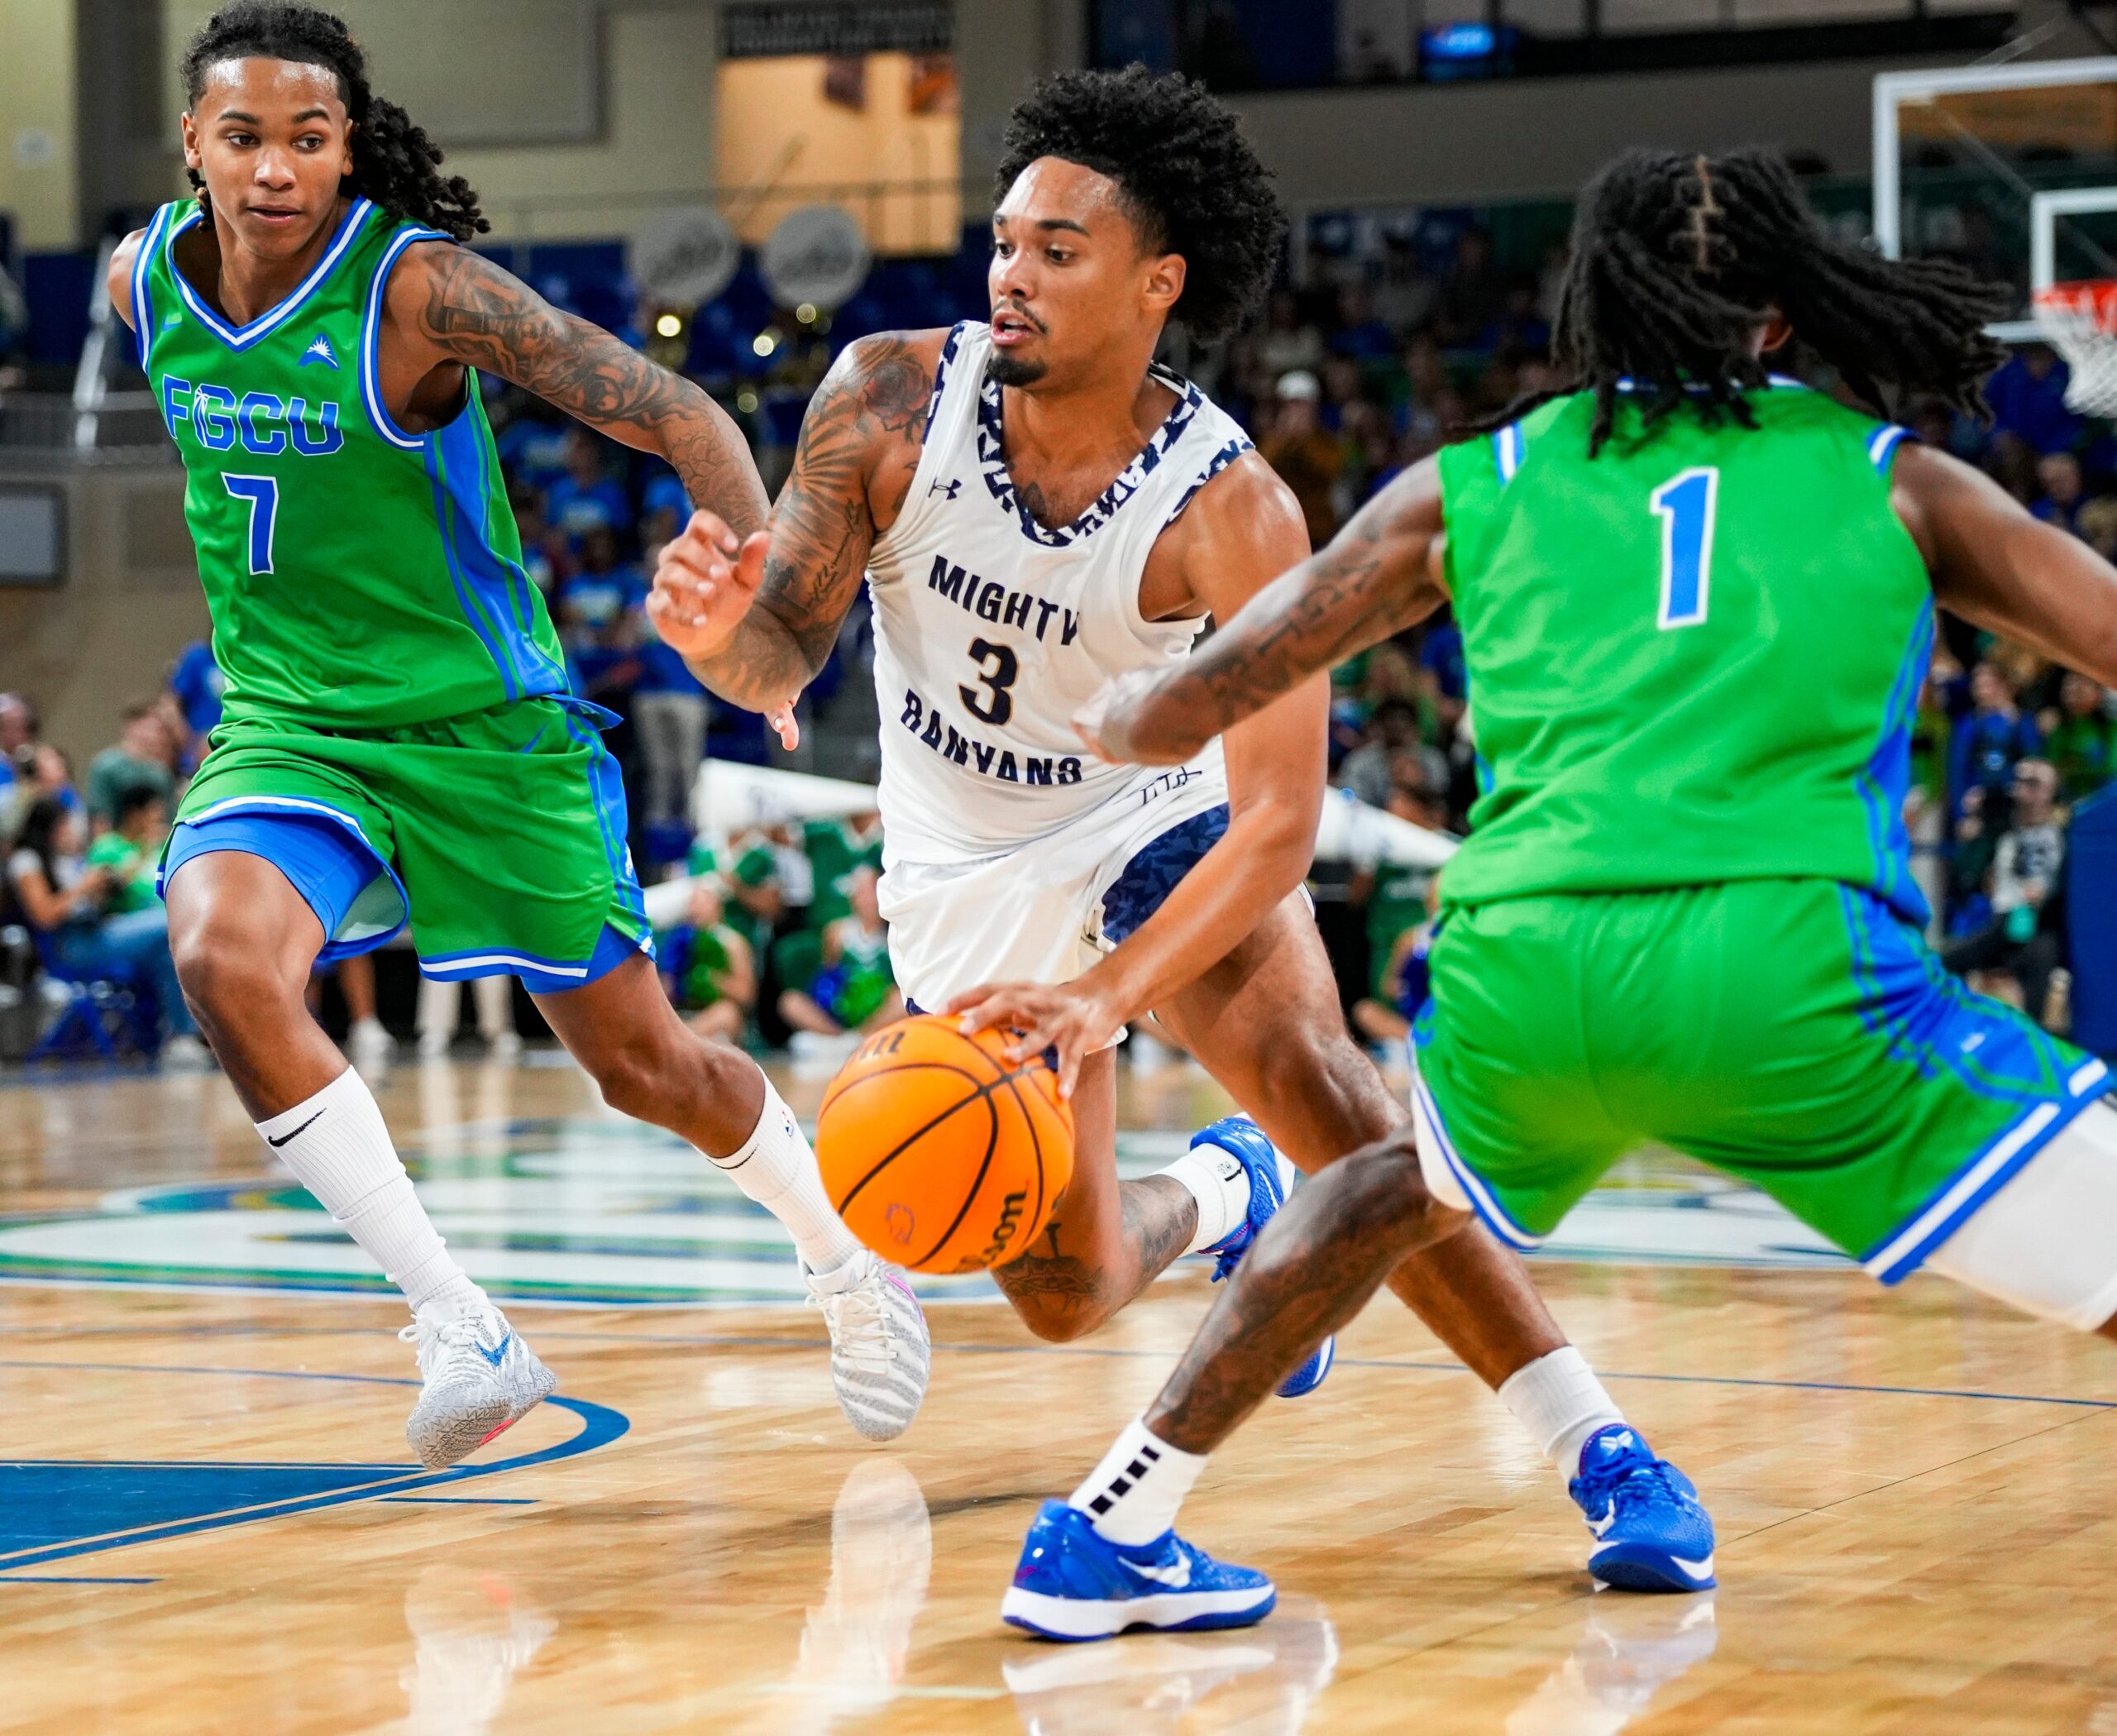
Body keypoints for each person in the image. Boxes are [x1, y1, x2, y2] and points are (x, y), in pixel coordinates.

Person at [652, 65, 1708, 1604]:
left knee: (1342, 1114)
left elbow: (1278, 827)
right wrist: (712, 645)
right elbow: (778, 661)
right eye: (1006, 241)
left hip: (1156, 822)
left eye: (1058, 249)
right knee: (1066, 1292)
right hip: (958, 870)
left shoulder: (1235, 509)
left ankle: (1604, 1450)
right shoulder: (885, 399)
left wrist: (1110, 995)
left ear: (1160, 282)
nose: (1011, 274)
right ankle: (1230, 1196)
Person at [1043, 144, 2117, 1639]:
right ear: (1782, 316)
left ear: (1589, 301)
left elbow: (1190, 702)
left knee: (1379, 1189)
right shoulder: (1897, 478)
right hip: (1788, 970)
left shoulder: (1466, 482)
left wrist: (1116, 718)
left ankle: (1110, 1522)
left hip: (1524, 974)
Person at [108, 1, 929, 1467]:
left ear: (347, 148)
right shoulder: (140, 286)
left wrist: (767, 609)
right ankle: (459, 1318)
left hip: (488, 729)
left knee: (647, 1068)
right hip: (294, 726)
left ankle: (841, 1257)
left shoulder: (419, 292)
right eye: (244, 136)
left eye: (309, 137)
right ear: (193, 145)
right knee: (218, 954)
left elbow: (676, 409)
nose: (277, 167)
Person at [6, 791, 207, 1063]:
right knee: (164, 924)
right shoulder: (26, 861)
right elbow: (45, 915)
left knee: (164, 951)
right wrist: (84, 887)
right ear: (49, 827)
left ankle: (182, 1036)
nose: (69, 832)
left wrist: (100, 891)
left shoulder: (60, 858)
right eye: (64, 825)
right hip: (68, 946)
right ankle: (183, 1033)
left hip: (91, 930)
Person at [1942, 758, 2067, 1025]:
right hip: (2000, 927)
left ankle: (2034, 1041)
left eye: (2033, 783)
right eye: (2019, 781)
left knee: (2042, 957)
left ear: (2050, 792)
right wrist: (1976, 835)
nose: (2023, 790)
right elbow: (1966, 874)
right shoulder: (1999, 824)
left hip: (2042, 927)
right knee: (1943, 961)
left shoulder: (2063, 832)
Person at [778, 864, 901, 1039]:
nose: (866, 900)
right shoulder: (837, 931)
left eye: (870, 893)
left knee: (900, 1001)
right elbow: (827, 973)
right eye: (860, 893)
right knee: (790, 1001)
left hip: (880, 1008)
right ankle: (839, 1039)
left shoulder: (895, 931)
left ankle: (861, 1037)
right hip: (841, 1006)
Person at [659, 875, 755, 1045]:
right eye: (693, 902)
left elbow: (746, 994)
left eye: (703, 902)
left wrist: (711, 978)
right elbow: (665, 989)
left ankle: (679, 1040)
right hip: (682, 1011)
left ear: (717, 905)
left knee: (727, 1013)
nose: (695, 908)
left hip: (713, 1015)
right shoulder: (679, 939)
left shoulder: (732, 942)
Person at [85, 701, 178, 831]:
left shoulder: (161, 773)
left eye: (159, 730)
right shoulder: (105, 766)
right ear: (132, 727)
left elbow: (168, 819)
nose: (156, 735)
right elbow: (100, 818)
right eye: (150, 728)